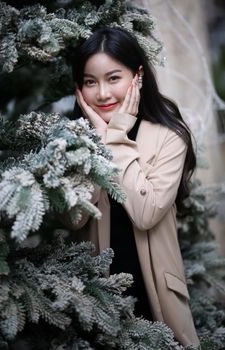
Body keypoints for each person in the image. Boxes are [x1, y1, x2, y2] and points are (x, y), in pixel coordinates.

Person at [69, 26, 200, 347]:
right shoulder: (74, 140)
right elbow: (74, 217)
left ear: (137, 76)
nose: (102, 94)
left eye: (114, 78)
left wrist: (112, 137)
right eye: (90, 82)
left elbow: (145, 213)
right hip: (95, 296)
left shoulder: (170, 135)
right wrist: (96, 140)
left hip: (154, 297)